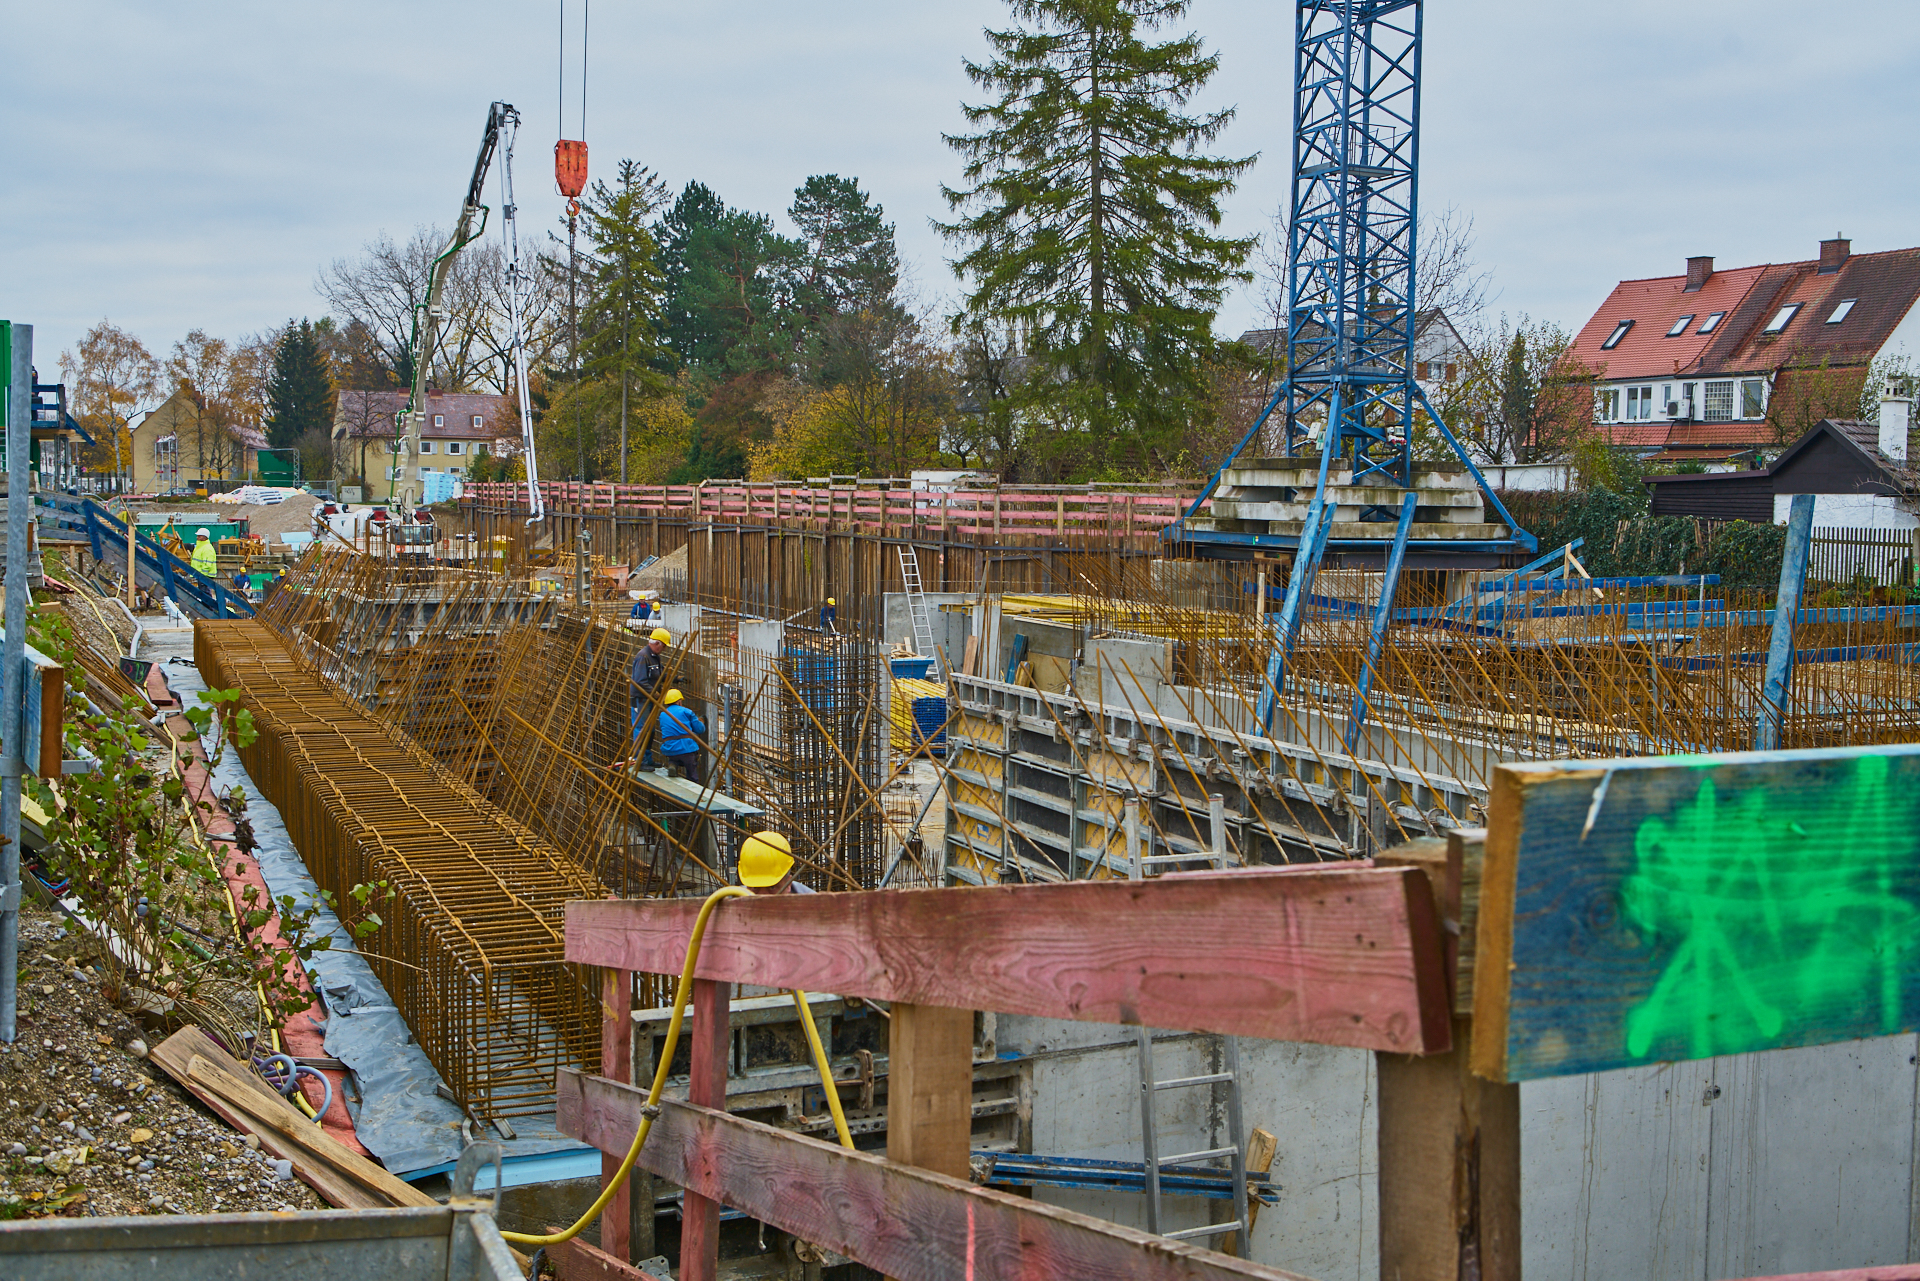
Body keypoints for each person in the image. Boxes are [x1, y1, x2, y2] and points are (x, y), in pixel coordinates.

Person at [626, 627, 670, 766]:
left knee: (650, 730)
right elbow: (640, 681)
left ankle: (648, 759)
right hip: (641, 699)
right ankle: (641, 760)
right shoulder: (643, 657)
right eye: (663, 646)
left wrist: (675, 679)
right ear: (657, 643)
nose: (663, 649)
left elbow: (660, 674)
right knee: (641, 728)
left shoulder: (654, 657)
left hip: (649, 698)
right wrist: (656, 694)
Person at [737, 830, 814, 895]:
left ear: (788, 884)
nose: (763, 896)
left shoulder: (814, 906)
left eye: (772, 887)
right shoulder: (730, 901)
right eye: (755, 888)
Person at [656, 689, 706, 782]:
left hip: (670, 749)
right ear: (679, 701)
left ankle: (673, 764)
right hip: (686, 748)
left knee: (676, 755)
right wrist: (701, 722)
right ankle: (693, 784)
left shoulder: (663, 714)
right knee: (692, 772)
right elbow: (700, 729)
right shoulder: (687, 712)